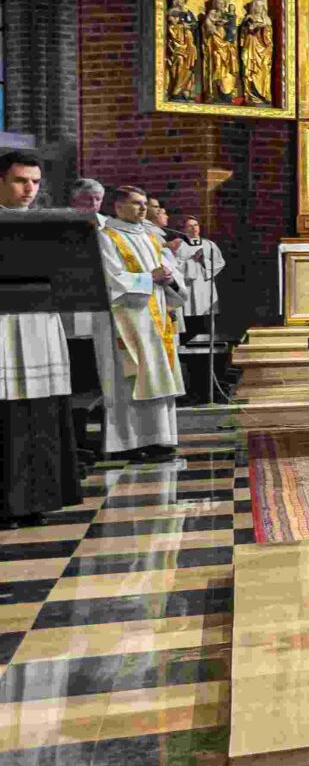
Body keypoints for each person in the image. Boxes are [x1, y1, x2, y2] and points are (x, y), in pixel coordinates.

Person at [0, 151, 78, 522]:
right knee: (8, 413)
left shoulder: (47, 224)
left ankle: (38, 499)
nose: (29, 188)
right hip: (4, 326)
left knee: (42, 412)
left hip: (41, 325)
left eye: (35, 181)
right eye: (20, 180)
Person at [93, 186, 182, 462]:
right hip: (126, 317)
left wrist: (169, 278)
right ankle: (128, 442)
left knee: (157, 375)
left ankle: (160, 438)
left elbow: (170, 271)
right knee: (130, 379)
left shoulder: (150, 236)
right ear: (118, 206)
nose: (143, 208)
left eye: (145, 203)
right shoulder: (106, 236)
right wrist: (150, 278)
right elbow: (110, 278)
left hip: (156, 315)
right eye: (136, 203)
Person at [166, 215, 225, 342]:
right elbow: (173, 267)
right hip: (188, 287)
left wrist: (204, 261)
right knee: (190, 320)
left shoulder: (209, 245)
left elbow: (220, 263)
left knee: (206, 321)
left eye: (196, 225)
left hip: (205, 287)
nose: (194, 228)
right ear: (183, 229)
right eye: (190, 226)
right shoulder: (179, 246)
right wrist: (192, 260)